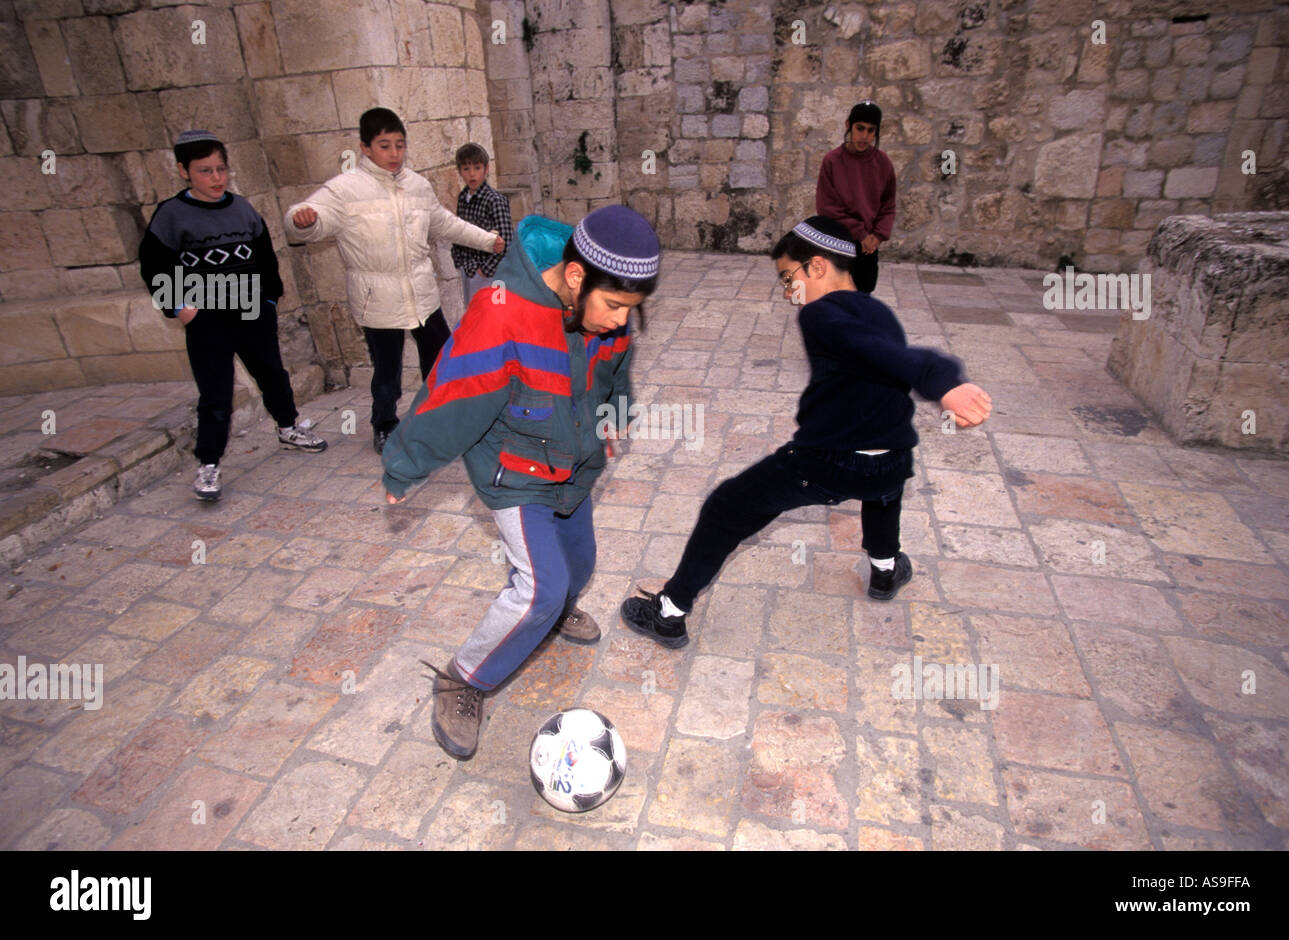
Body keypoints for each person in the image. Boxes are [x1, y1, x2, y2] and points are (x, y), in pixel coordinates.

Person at [620, 216, 991, 649]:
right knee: (883, 494)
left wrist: (943, 382)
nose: (786, 292)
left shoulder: (819, 314)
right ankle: (886, 570)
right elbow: (888, 357)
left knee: (726, 508)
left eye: (787, 277)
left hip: (828, 460)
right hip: (893, 459)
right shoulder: (879, 309)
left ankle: (669, 613)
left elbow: (887, 355)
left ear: (816, 267)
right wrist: (937, 379)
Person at [381, 206, 659, 760]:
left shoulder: (607, 311)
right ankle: (463, 680)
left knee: (579, 568)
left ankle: (548, 617)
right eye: (613, 306)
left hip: (572, 466)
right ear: (576, 277)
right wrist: (406, 464)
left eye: (630, 310)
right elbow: (453, 394)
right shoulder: (501, 312)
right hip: (514, 471)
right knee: (540, 587)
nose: (617, 320)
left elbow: (614, 367)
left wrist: (616, 410)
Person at [283, 108, 505, 454]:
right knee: (387, 372)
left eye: (400, 145)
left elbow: (444, 223)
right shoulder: (344, 189)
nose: (394, 154)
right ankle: (384, 424)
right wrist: (302, 221)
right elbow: (309, 219)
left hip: (422, 294)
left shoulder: (417, 185)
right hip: (377, 299)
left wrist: (487, 240)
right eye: (384, 146)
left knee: (442, 359)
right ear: (365, 148)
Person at [139, 130, 325, 503]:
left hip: (252, 311)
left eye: (221, 169)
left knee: (273, 374)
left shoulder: (242, 209)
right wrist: (183, 311)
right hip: (207, 319)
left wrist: (269, 301)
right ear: (184, 171)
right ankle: (209, 463)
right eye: (205, 171)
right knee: (216, 393)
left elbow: (267, 260)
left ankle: (288, 427)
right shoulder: (171, 215)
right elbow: (154, 266)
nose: (217, 178)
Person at [815, 100, 896, 294]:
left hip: (868, 247)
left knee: (862, 297)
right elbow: (827, 208)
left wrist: (877, 236)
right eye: (860, 128)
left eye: (870, 130)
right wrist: (861, 234)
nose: (864, 136)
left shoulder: (882, 163)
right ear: (848, 125)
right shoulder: (832, 161)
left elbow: (888, 205)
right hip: (838, 243)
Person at [451, 142, 513, 307]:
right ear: (460, 171)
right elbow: (459, 231)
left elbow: (506, 240)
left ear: (486, 169)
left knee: (492, 317)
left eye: (477, 168)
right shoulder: (463, 198)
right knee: (473, 314)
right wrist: (459, 261)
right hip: (467, 269)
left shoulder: (494, 200)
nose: (472, 174)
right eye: (466, 169)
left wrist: (485, 271)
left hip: (489, 273)